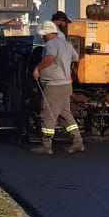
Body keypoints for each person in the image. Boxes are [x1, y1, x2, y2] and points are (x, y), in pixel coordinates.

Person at [31, 20, 84, 155]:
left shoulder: (51, 44)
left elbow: (49, 57)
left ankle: (46, 145)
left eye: (44, 35)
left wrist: (37, 68)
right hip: (66, 85)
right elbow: (76, 58)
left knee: (47, 113)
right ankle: (77, 141)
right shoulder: (67, 44)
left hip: (53, 85)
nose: (43, 37)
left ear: (49, 34)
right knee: (65, 114)